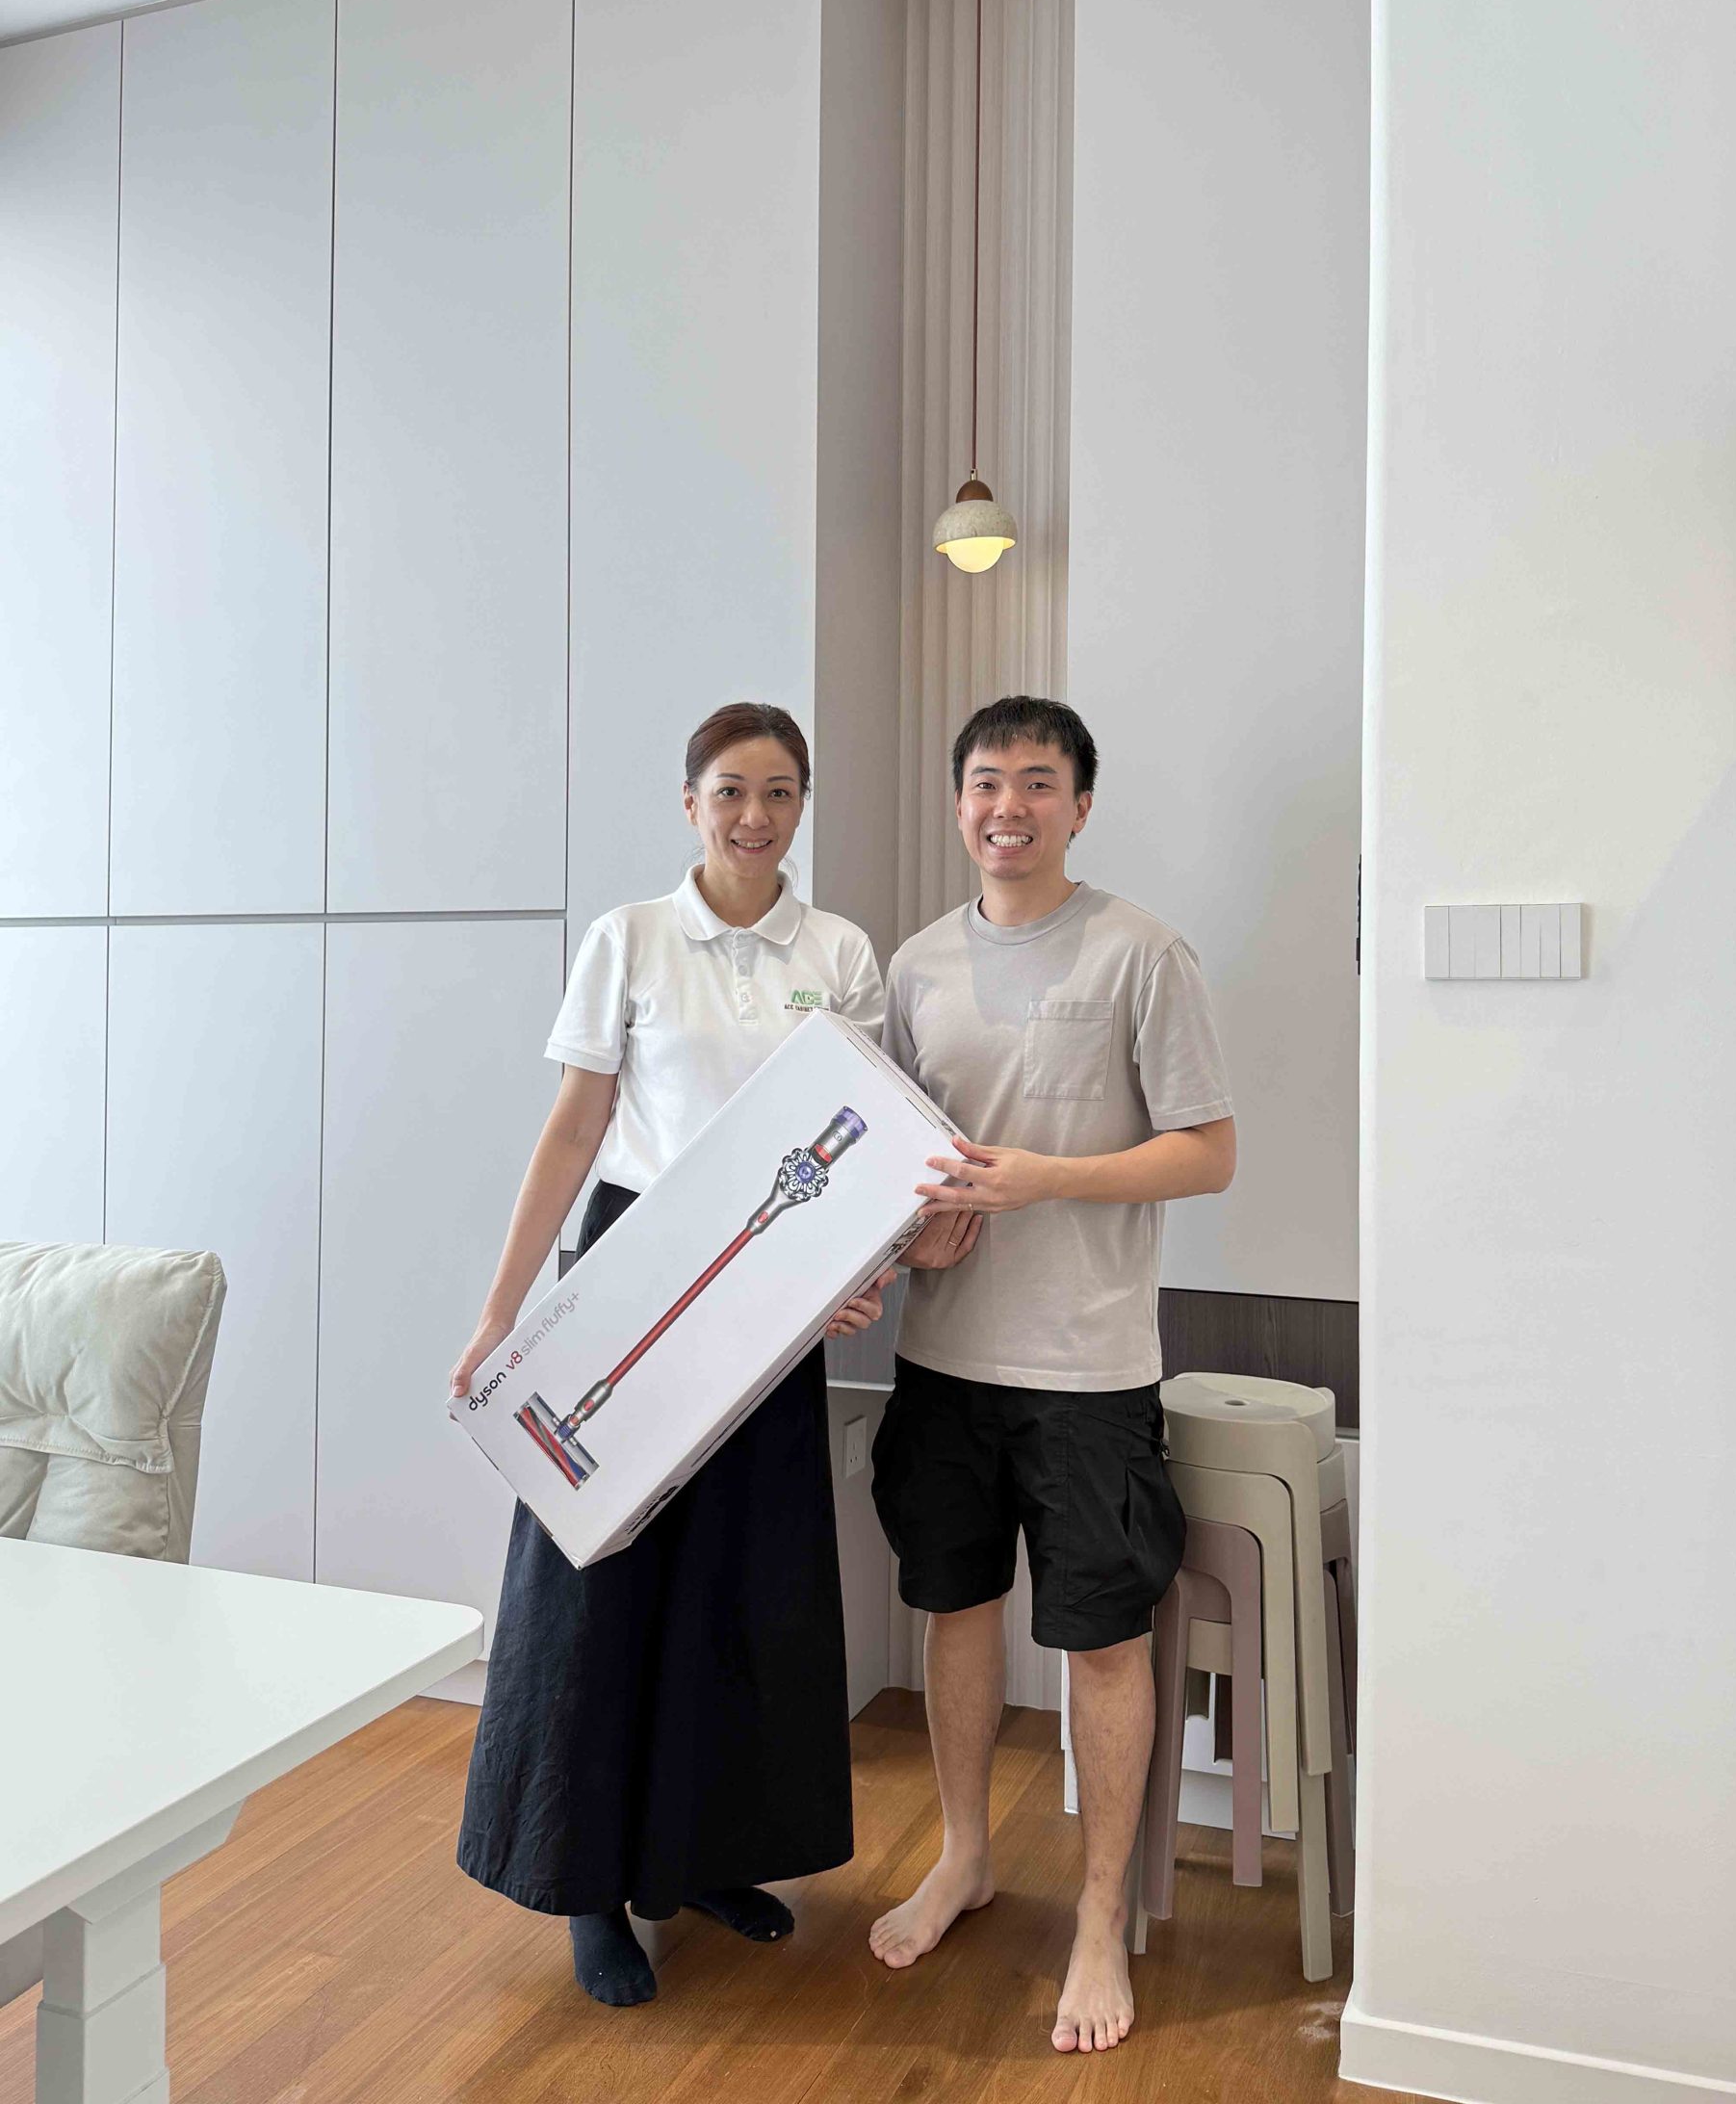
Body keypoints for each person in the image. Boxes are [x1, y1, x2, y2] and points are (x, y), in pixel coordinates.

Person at [451, 702, 898, 2009]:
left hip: (774, 1281)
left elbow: (862, 1136)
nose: (755, 815)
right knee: (600, 1579)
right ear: (691, 802)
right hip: (633, 1271)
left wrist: (846, 1276)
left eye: (779, 791)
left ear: (802, 804)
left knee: (747, 1579)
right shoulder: (631, 939)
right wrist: (504, 1311)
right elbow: (576, 1126)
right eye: (730, 791)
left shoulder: (838, 951)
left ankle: (708, 1857)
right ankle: (589, 1887)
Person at [868, 694, 1237, 2057]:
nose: (1006, 806)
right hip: (940, 1357)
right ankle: (964, 1857)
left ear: (1080, 805)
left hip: (1089, 1371)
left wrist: (1047, 1180)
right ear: (958, 802)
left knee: (1102, 1641)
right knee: (955, 1612)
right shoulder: (915, 967)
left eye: (1036, 781)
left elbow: (1208, 1151)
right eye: (985, 781)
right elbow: (887, 1160)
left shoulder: (1142, 953)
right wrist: (914, 1235)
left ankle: (1096, 1918)